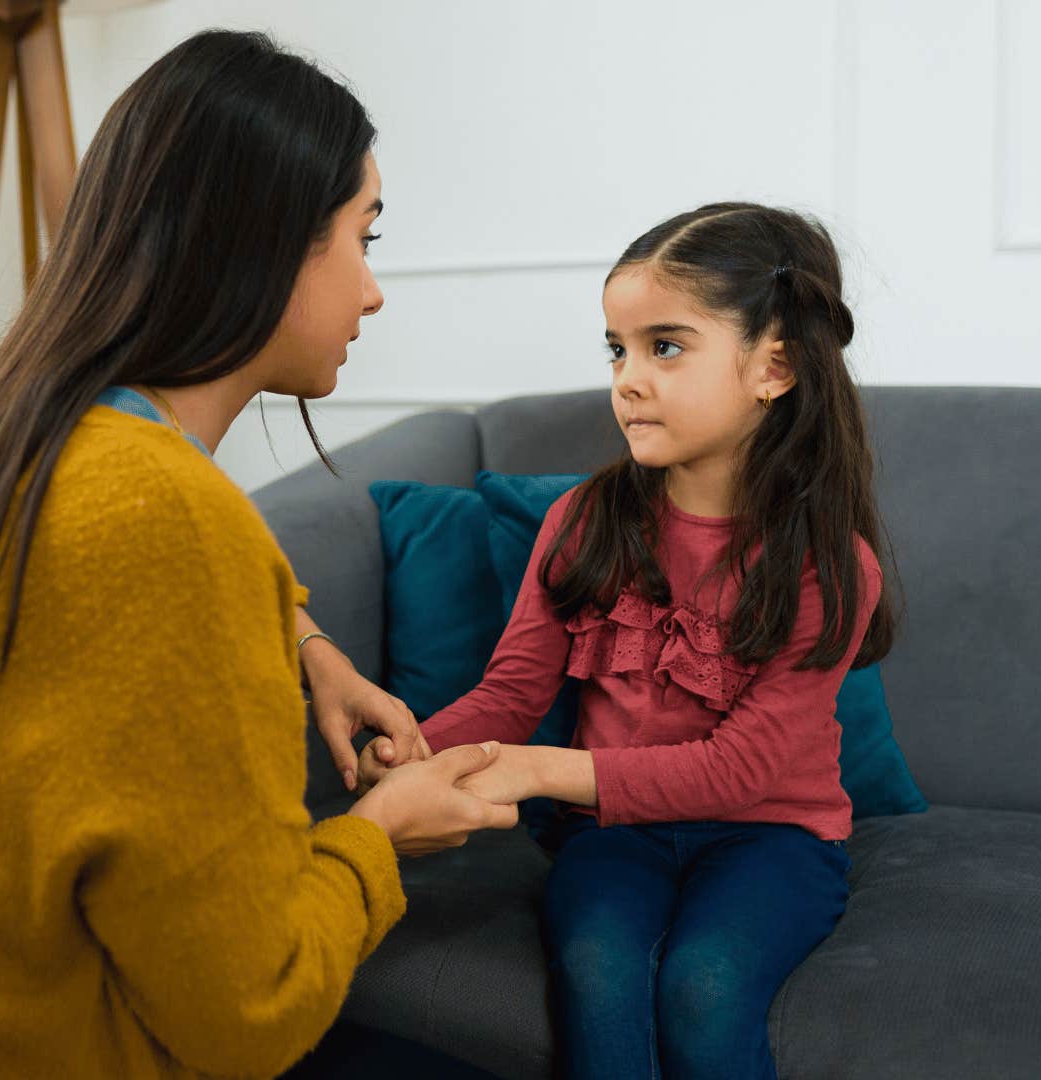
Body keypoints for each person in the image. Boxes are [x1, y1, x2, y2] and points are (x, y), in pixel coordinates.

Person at [0, 30, 518, 1079]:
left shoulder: (33, 442)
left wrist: (309, 647)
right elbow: (250, 1012)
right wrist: (380, 836)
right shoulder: (166, 515)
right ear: (264, 239)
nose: (372, 290)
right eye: (365, 236)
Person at [362, 203, 898, 1079]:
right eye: (618, 348)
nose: (629, 379)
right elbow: (510, 695)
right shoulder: (585, 519)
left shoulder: (828, 564)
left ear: (775, 367)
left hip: (771, 836)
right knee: (600, 970)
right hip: (612, 834)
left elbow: (738, 773)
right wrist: (416, 750)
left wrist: (537, 769)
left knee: (705, 983)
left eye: (666, 346)